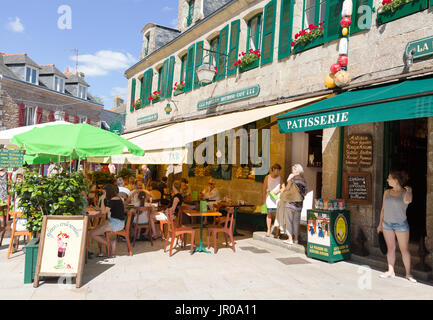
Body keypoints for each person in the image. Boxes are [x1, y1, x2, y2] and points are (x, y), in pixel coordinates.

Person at [377, 170, 416, 283]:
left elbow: (408, 200)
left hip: (401, 225)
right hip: (386, 224)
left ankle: (408, 274)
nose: (387, 180)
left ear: (396, 180)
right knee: (391, 248)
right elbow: (383, 209)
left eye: (389, 178)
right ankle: (390, 271)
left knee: (404, 250)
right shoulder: (387, 192)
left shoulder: (405, 192)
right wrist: (380, 224)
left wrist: (410, 191)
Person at [89, 184, 125, 257]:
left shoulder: (113, 200)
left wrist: (102, 198)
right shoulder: (116, 198)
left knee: (93, 234)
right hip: (114, 221)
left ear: (108, 192)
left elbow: (104, 212)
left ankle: (110, 243)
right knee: (93, 231)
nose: (103, 194)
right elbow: (104, 210)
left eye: (104, 192)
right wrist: (98, 208)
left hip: (116, 223)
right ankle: (110, 243)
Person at [280, 164, 307, 244]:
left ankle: (290, 238)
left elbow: (287, 188)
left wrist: (283, 191)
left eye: (293, 170)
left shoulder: (293, 178)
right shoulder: (304, 180)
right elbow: (305, 191)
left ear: (297, 170)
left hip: (290, 203)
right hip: (299, 204)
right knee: (296, 221)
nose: (292, 171)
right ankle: (296, 239)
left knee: (289, 220)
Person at [262, 163, 282, 237]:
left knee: (277, 216)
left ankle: (277, 232)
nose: (278, 172)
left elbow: (283, 187)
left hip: (277, 199)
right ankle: (268, 230)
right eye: (277, 170)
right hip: (269, 199)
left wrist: (279, 190)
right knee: (269, 214)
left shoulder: (280, 178)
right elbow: (264, 189)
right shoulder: (267, 177)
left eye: (279, 171)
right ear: (273, 169)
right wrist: (263, 201)